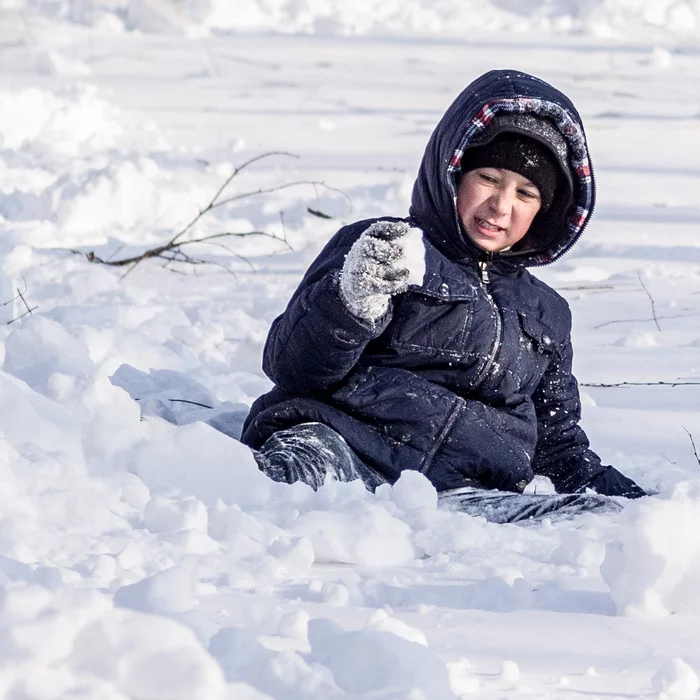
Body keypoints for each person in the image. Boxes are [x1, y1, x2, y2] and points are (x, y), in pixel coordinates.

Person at [241, 69, 645, 522]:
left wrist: (643, 505)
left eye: (525, 193)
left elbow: (556, 441)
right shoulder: (389, 249)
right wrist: (351, 302)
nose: (501, 205)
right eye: (489, 178)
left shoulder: (546, 313)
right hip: (342, 447)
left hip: (463, 495)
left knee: (591, 519)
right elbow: (293, 367)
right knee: (291, 492)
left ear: (545, 211)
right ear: (453, 173)